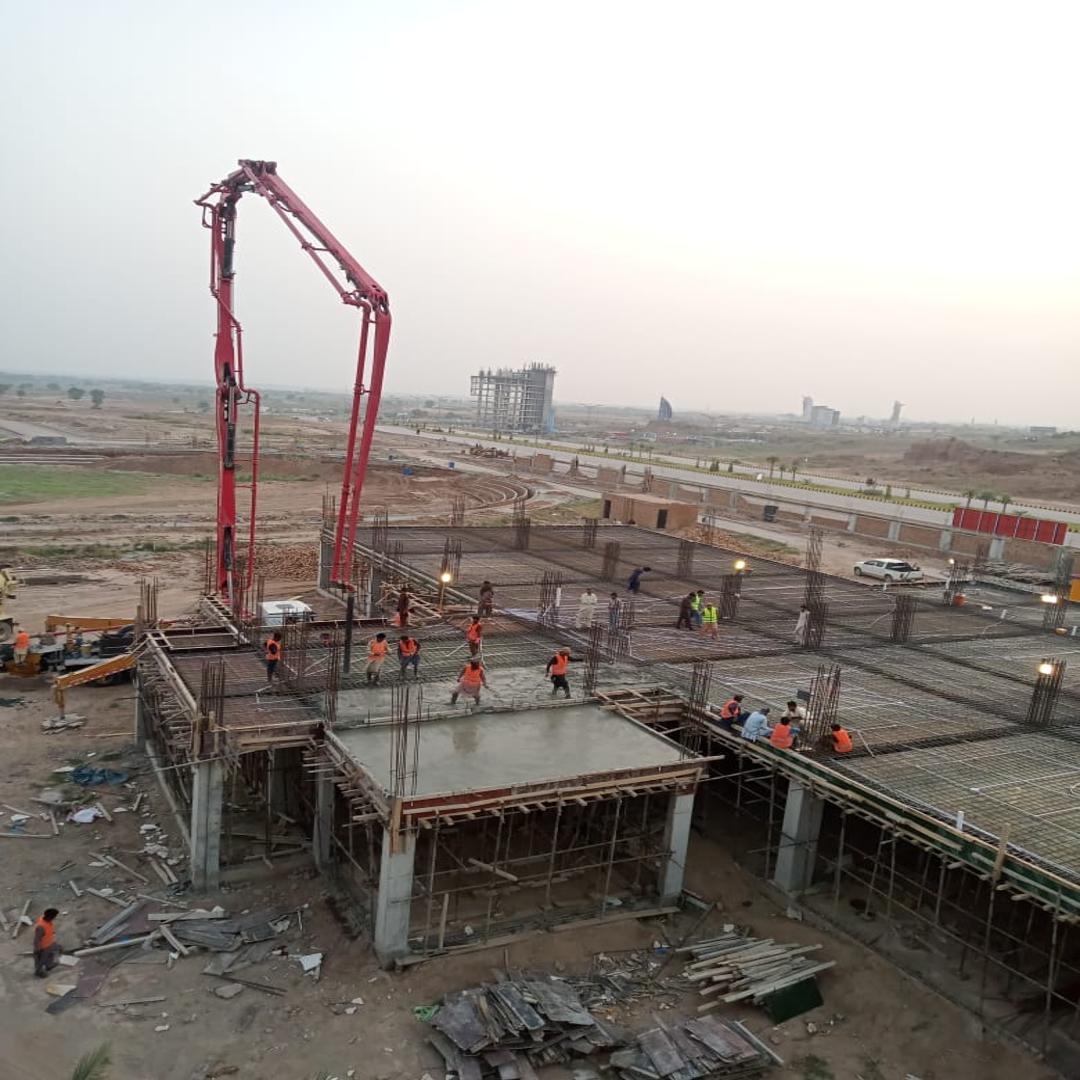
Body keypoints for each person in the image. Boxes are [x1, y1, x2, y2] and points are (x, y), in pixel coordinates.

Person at [33, 908, 60, 978]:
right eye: (54, 916)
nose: (55, 917)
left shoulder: (45, 919)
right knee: (41, 961)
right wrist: (38, 949)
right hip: (42, 948)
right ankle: (38, 972)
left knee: (50, 955)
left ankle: (49, 966)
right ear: (50, 917)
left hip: (49, 944)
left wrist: (52, 932)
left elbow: (48, 928)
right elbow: (37, 939)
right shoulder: (40, 927)